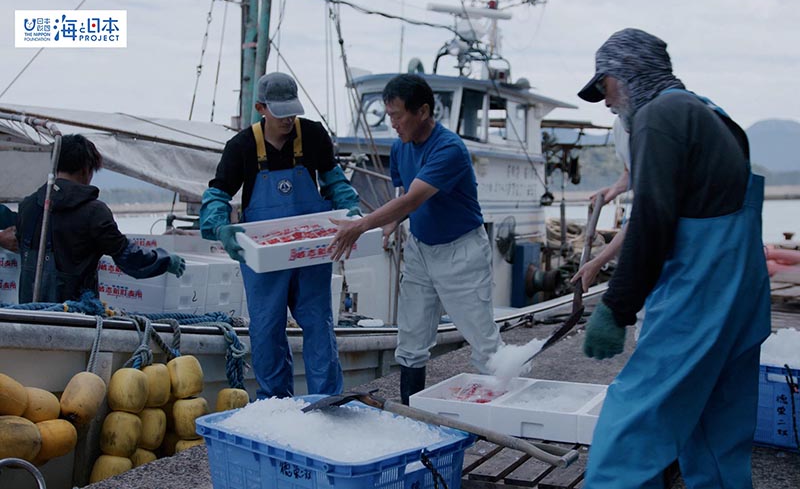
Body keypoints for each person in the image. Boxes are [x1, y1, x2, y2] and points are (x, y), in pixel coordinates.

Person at [576, 28, 771, 488]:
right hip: (742, 295)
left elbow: (652, 219)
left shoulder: (658, 116)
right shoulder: (710, 113)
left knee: (632, 427)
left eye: (603, 87)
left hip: (699, 299)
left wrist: (616, 307)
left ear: (626, 74)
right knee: (716, 435)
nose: (605, 102)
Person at [329, 74, 503, 405]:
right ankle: (411, 412)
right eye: (388, 115)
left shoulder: (449, 148)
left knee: (482, 340)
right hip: (421, 248)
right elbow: (407, 199)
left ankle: (496, 414)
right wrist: (392, 222)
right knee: (410, 338)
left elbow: (414, 198)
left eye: (396, 115)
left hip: (460, 250)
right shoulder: (400, 147)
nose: (392, 123)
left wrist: (361, 225)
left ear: (422, 111)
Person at [199, 72, 361, 399]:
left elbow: (335, 182)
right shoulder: (241, 146)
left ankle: (328, 402)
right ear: (261, 107)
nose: (288, 119)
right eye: (280, 112)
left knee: (318, 327)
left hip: (309, 251)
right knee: (266, 331)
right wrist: (220, 226)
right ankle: (275, 405)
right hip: (264, 257)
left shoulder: (314, 135)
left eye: (292, 111)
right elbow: (217, 193)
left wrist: (351, 212)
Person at [16, 134, 185, 304]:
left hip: (27, 316)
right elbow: (128, 257)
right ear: (87, 169)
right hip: (75, 317)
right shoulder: (94, 211)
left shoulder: (26, 207)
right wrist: (164, 260)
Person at [570, 116, 630, 291]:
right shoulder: (621, 124)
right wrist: (615, 189)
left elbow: (641, 219)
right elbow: (631, 170)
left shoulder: (655, 130)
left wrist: (598, 262)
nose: (606, 103)